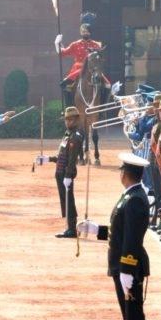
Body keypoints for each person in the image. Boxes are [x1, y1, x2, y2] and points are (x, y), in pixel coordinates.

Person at [108, 152, 151, 320]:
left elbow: (132, 240)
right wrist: (98, 231)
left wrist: (126, 269)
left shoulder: (134, 199)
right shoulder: (131, 196)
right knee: (130, 314)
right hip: (124, 265)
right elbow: (121, 233)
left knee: (133, 315)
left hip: (129, 267)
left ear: (126, 174)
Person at [56, 12, 112, 107]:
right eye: (83, 31)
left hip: (93, 69)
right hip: (78, 69)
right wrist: (57, 43)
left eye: (86, 31)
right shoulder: (75, 44)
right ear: (80, 32)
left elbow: (101, 58)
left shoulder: (97, 44)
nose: (85, 32)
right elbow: (63, 53)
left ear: (90, 32)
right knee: (65, 84)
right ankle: (70, 108)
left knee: (108, 86)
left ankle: (102, 107)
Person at [47, 107, 84, 238]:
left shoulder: (75, 136)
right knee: (65, 200)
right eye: (66, 120)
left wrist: (68, 175)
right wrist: (49, 159)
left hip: (66, 173)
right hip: (60, 171)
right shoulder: (67, 134)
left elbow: (72, 159)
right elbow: (62, 155)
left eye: (71, 119)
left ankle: (71, 229)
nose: (68, 122)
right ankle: (70, 227)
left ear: (76, 120)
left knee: (69, 200)